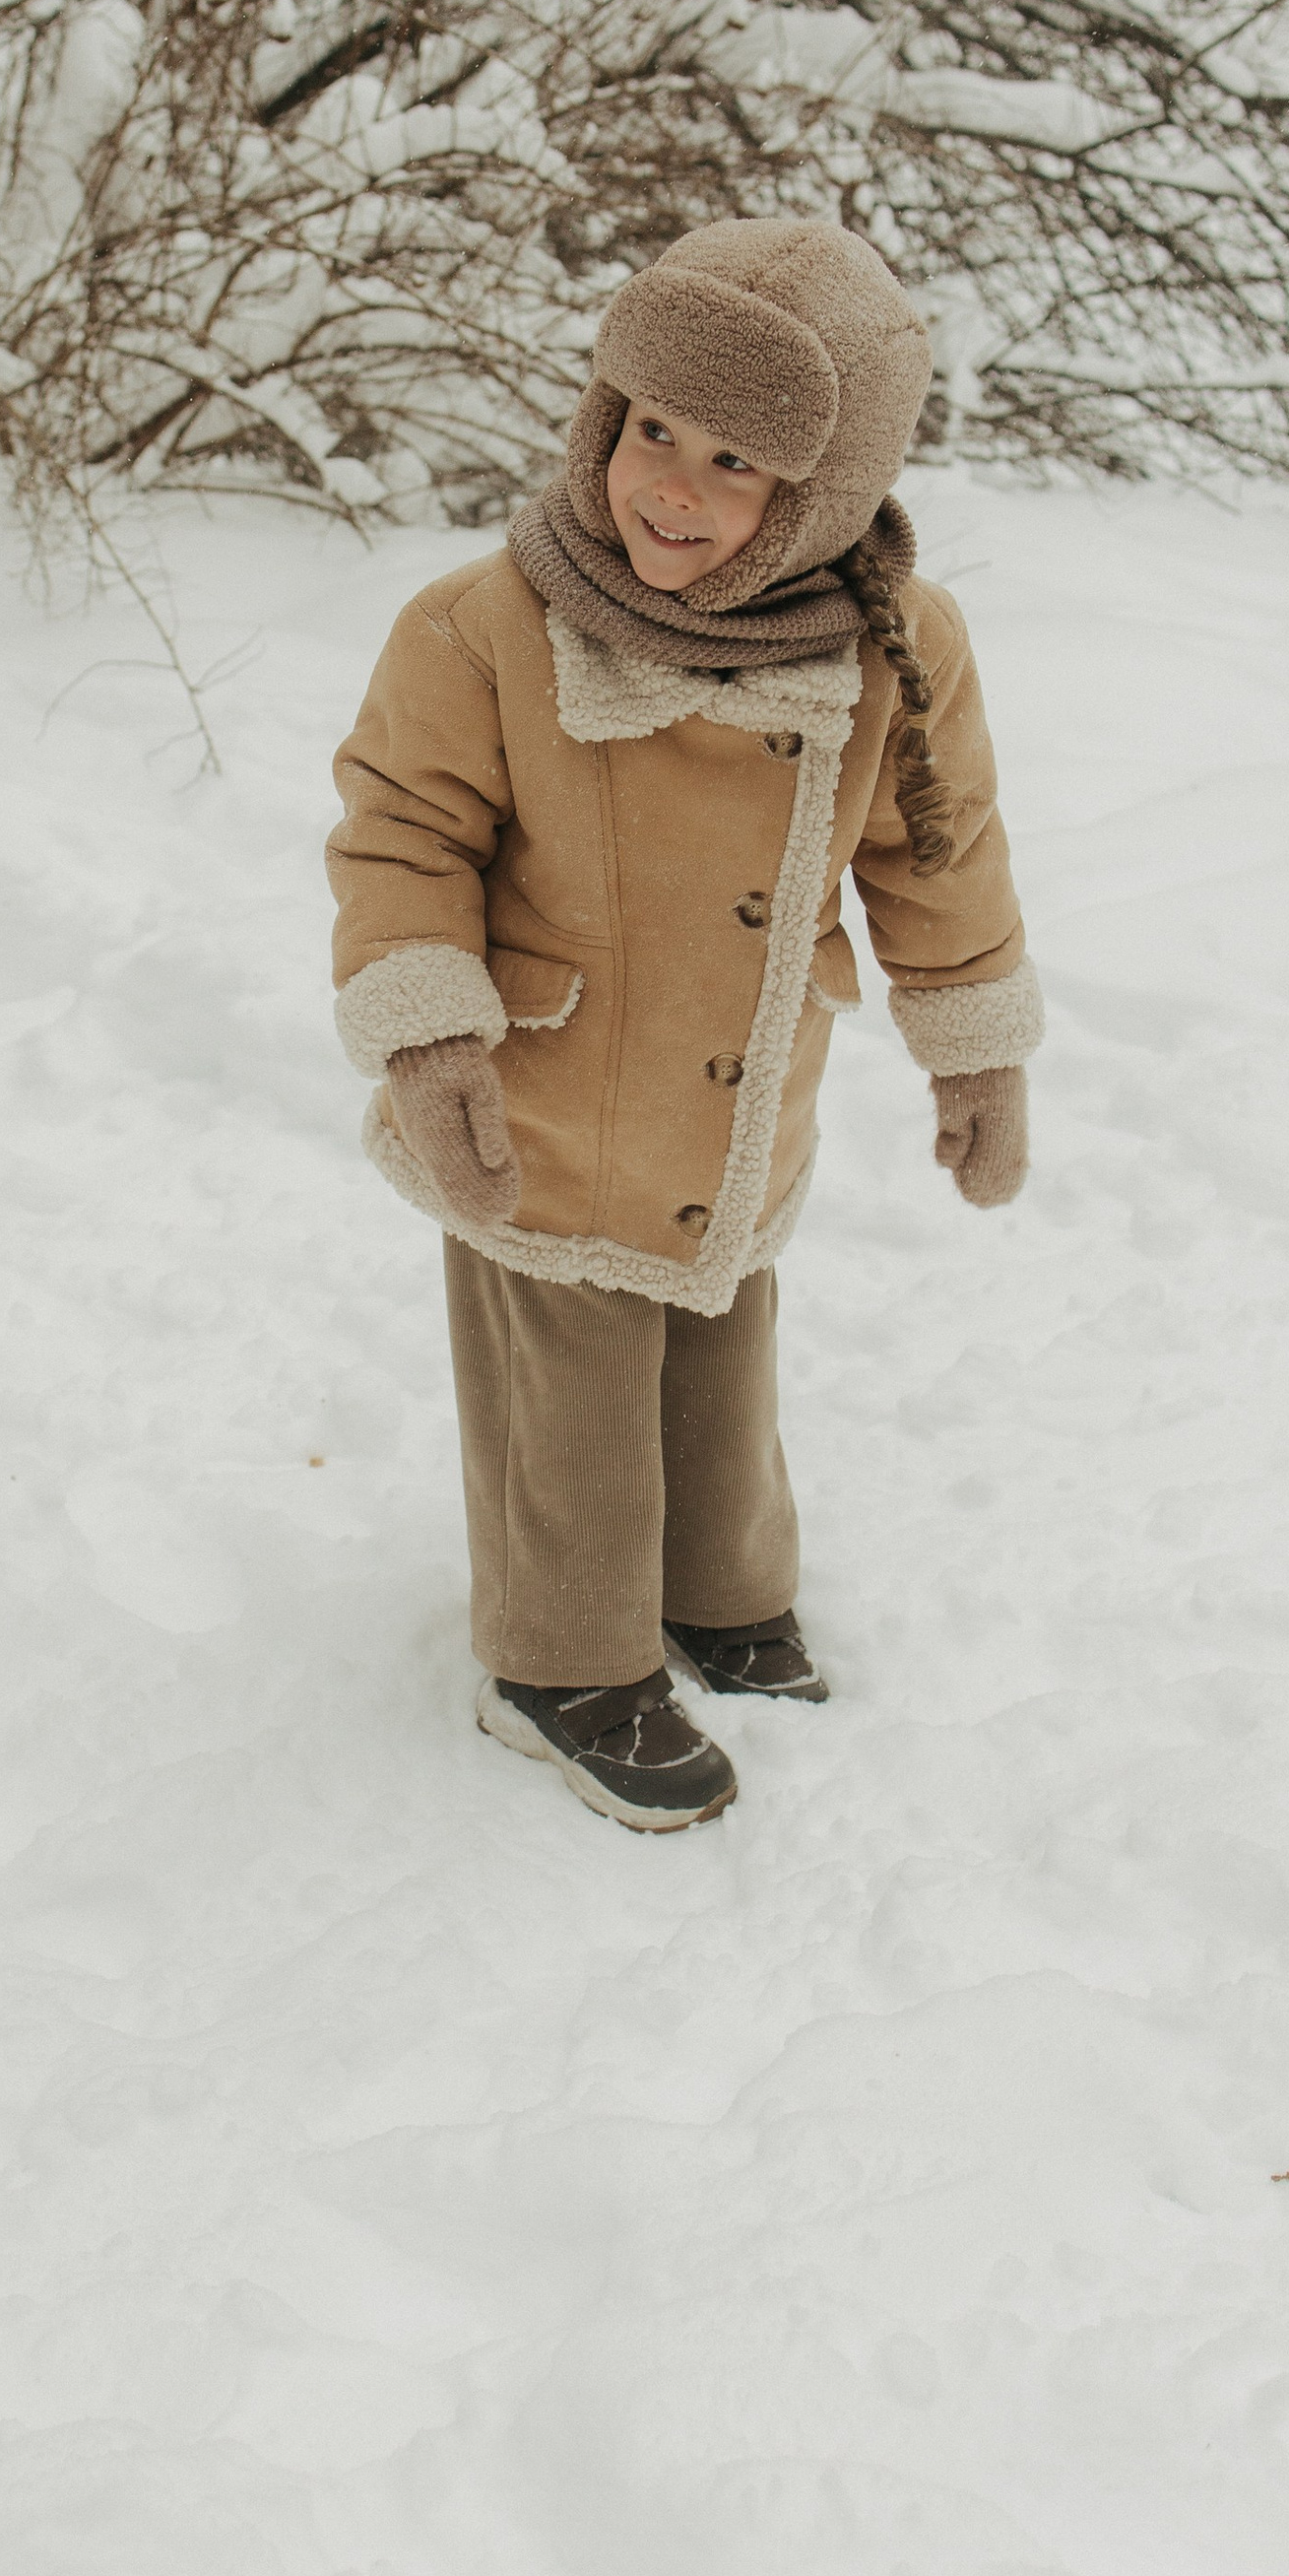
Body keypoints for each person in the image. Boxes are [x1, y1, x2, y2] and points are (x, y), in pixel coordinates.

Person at [326, 218, 1040, 1832]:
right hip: (543, 1105)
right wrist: (429, 1036)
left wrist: (975, 1041)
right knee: (567, 1376)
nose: (673, 487)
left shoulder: (893, 653)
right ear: (603, 412)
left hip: (739, 1102)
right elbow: (399, 836)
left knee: (723, 1344)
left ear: (829, 491)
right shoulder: (487, 624)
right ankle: (558, 1654)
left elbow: (936, 849)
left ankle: (719, 1589)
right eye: (653, 428)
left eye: (737, 463)